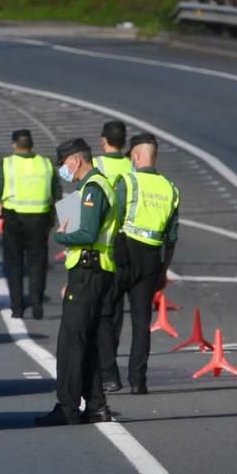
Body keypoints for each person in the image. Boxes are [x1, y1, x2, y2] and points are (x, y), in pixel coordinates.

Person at [35, 138, 117, 427]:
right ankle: (96, 406)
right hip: (89, 272)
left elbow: (88, 234)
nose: (63, 170)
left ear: (76, 160)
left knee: (71, 342)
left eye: (64, 164)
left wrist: (61, 234)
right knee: (88, 340)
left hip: (90, 271)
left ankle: (67, 407)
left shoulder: (94, 188)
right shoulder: (88, 188)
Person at [97, 133, 179, 396]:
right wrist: (164, 270)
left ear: (135, 156)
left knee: (107, 313)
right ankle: (138, 380)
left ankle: (110, 376)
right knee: (142, 321)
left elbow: (113, 219)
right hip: (152, 258)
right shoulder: (170, 188)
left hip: (124, 254)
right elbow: (173, 236)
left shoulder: (128, 182)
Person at [0, 130, 61, 319]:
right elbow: (57, 194)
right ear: (31, 144)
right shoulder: (45, 163)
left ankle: (17, 307)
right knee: (38, 263)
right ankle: (36, 301)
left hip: (14, 219)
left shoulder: (8, 164)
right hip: (39, 219)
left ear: (14, 144)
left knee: (14, 264)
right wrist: (61, 221)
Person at [93, 120, 134, 392]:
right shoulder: (132, 166)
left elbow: (70, 181)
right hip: (130, 243)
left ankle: (107, 369)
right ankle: (111, 354)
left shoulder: (96, 164)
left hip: (103, 242)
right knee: (117, 309)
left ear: (103, 139)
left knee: (103, 310)